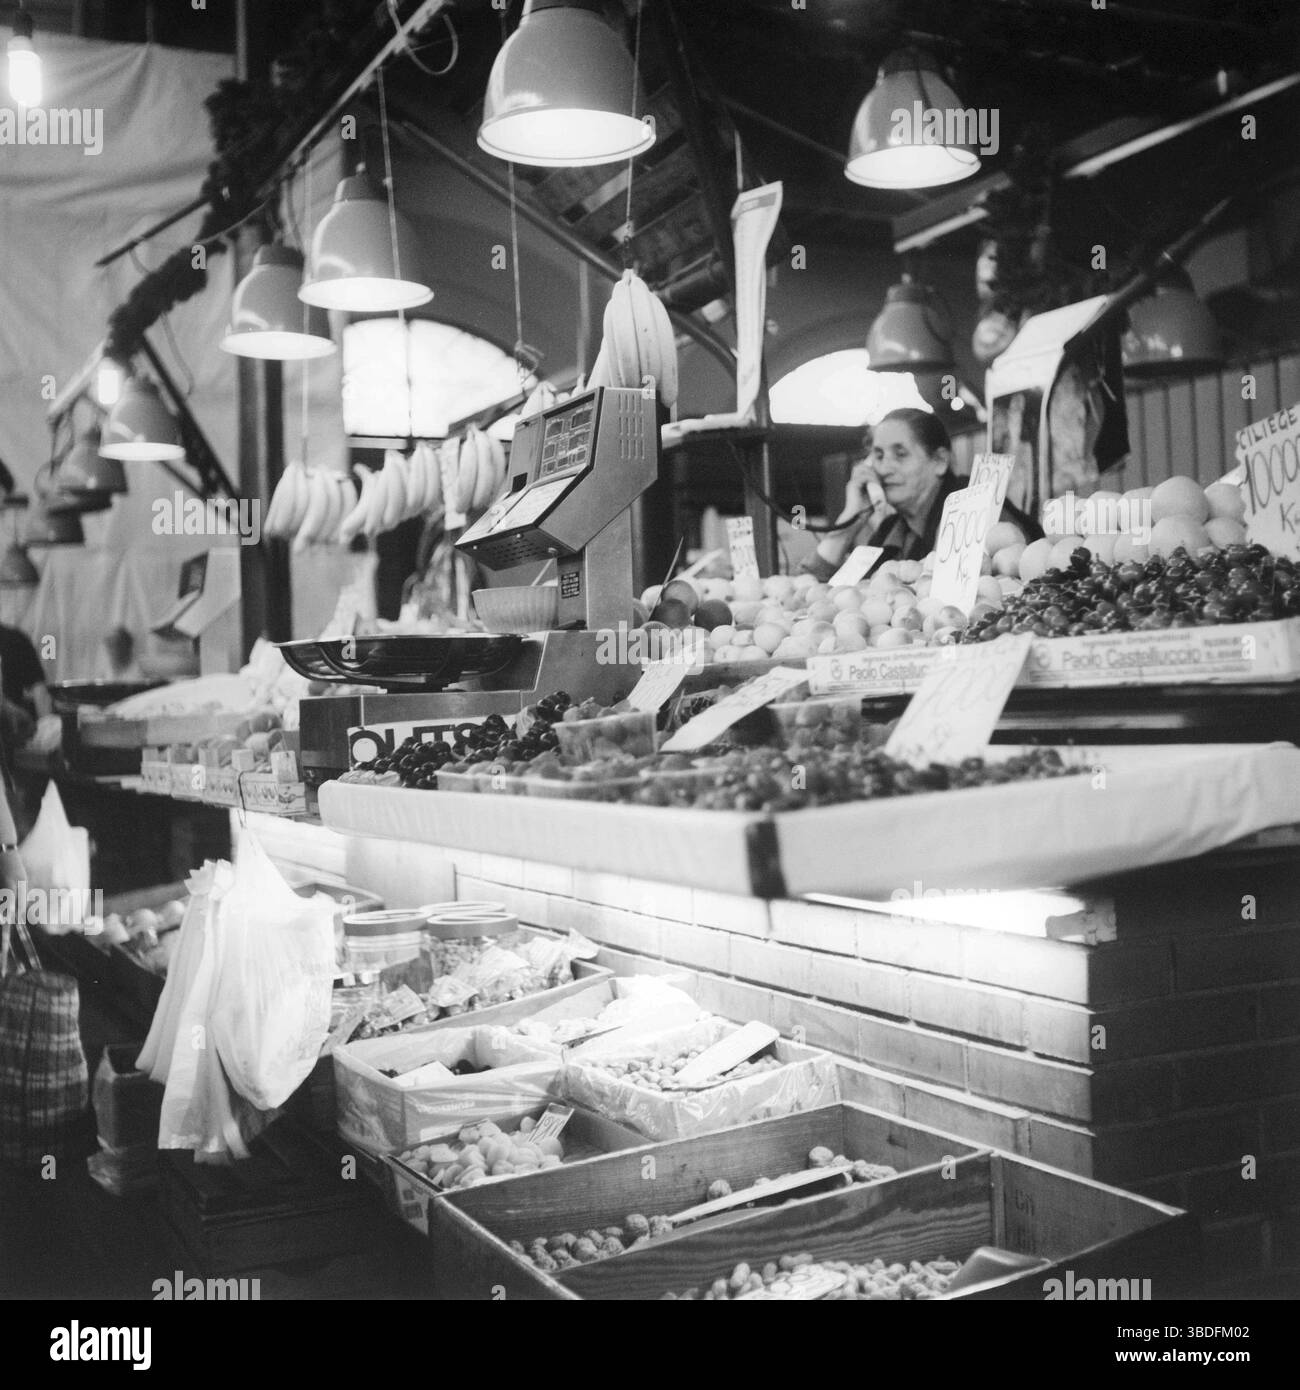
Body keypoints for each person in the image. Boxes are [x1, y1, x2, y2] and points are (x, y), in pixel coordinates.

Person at [802, 407, 1042, 581]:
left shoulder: (973, 506)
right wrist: (852, 516)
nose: (884, 469)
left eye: (900, 454)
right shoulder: (892, 530)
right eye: (878, 455)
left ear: (939, 461)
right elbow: (814, 584)